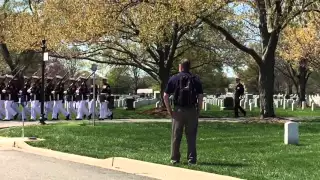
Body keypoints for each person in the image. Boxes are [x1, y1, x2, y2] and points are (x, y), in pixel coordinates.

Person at [163, 59, 203, 165]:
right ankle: (192, 159)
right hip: (191, 110)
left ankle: (175, 159)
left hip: (178, 110)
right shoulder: (195, 79)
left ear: (180, 67)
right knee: (191, 136)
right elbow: (200, 97)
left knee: (176, 135)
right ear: (189, 67)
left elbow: (165, 95)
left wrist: (169, 110)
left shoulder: (174, 78)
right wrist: (198, 111)